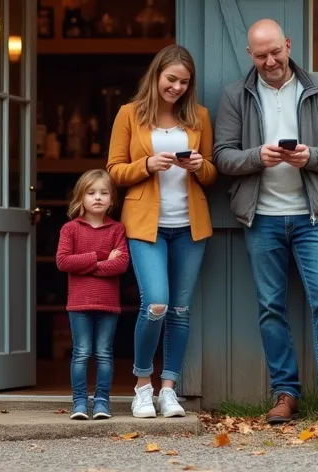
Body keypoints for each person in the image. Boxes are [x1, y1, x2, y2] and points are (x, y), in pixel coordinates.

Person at [212, 19, 318, 424]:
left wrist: (309, 157)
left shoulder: (317, 88)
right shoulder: (235, 95)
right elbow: (223, 156)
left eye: (275, 52)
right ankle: (285, 393)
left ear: (289, 45)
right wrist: (255, 157)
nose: (269, 61)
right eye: (260, 55)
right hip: (261, 217)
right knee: (270, 308)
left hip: (311, 216)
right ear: (250, 55)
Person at [107, 44, 216, 419]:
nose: (177, 88)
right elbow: (114, 171)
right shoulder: (129, 115)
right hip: (145, 226)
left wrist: (202, 166)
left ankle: (168, 389)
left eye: (185, 82)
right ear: (156, 76)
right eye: (171, 79)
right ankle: (141, 385)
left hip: (190, 226)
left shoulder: (199, 116)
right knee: (155, 304)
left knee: (180, 311)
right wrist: (148, 164)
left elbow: (213, 174)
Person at [55, 169, 131, 421]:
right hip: (79, 303)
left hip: (108, 303)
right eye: (91, 193)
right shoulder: (70, 229)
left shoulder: (117, 229)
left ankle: (101, 402)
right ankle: (79, 402)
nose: (98, 197)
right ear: (81, 197)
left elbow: (120, 265)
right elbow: (63, 261)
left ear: (112, 198)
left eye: (104, 193)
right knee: (81, 353)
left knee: (104, 353)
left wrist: (87, 267)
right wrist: (100, 258)